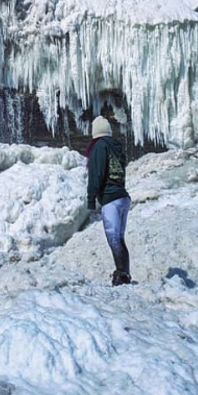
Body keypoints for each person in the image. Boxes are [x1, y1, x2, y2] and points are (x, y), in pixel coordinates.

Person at [85, 115, 133, 286]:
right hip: (123, 198)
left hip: (111, 199)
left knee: (113, 238)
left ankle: (121, 276)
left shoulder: (99, 146)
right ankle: (125, 274)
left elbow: (96, 174)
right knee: (119, 238)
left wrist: (91, 199)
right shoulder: (117, 147)